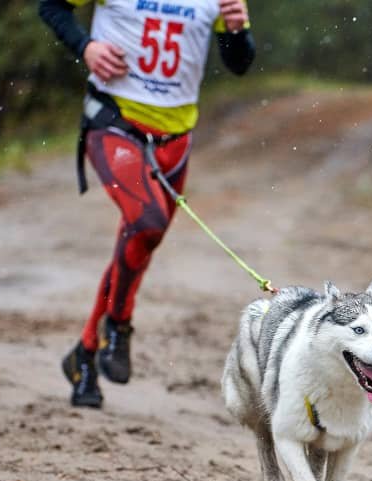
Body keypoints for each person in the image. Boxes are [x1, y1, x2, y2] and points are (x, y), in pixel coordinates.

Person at [38, 0, 255, 408]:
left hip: (176, 141)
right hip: (115, 121)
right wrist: (85, 47)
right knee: (148, 222)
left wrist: (237, 31)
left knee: (138, 242)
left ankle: (84, 354)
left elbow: (239, 63)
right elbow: (51, 6)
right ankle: (118, 326)